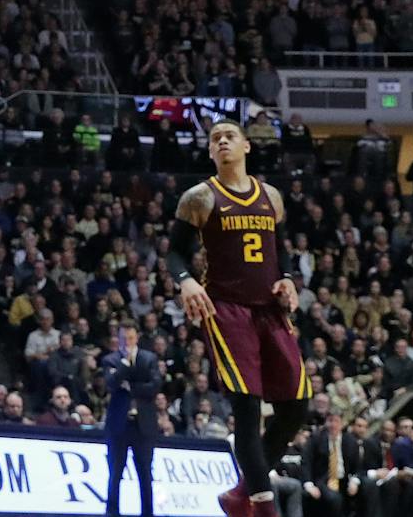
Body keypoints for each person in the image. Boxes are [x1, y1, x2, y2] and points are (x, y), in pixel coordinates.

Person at [169, 120, 309, 517]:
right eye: (215, 139)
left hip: (269, 309)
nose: (222, 142)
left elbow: (279, 249)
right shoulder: (200, 197)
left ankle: (240, 493)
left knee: (297, 404)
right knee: (247, 408)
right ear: (210, 152)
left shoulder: (271, 196)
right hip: (226, 309)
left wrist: (286, 278)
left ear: (247, 146)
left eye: (230, 136)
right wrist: (186, 281)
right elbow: (174, 252)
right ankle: (264, 509)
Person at [105, 321, 163, 517]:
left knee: (145, 473)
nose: (127, 343)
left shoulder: (149, 359)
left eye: (130, 338)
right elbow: (111, 384)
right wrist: (125, 364)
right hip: (119, 425)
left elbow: (155, 386)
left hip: (143, 425)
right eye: (123, 339)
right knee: (115, 473)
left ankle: (147, 513)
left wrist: (131, 387)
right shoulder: (111, 360)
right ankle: (112, 513)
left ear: (136, 338)